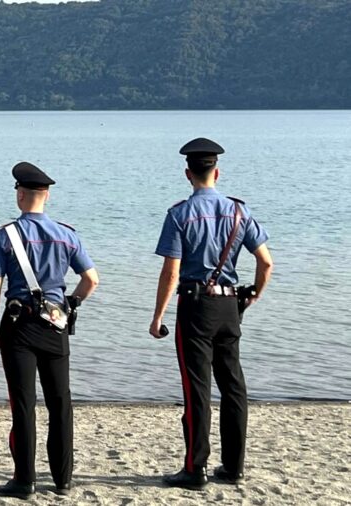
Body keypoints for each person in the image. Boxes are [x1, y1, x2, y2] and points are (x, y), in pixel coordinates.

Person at [149, 138, 272, 490]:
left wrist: (157, 316)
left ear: (188, 174)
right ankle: (233, 467)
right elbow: (266, 262)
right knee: (233, 386)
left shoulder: (179, 215)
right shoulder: (239, 212)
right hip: (229, 305)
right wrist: (252, 297)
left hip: (195, 305)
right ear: (217, 172)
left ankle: (195, 468)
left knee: (197, 388)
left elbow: (171, 273)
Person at [0, 162, 99, 499]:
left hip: (18, 327)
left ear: (20, 195)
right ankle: (63, 478)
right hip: (55, 324)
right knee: (60, 402)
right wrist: (71, 303)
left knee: (23, 404)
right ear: (46, 196)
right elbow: (91, 280)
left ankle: (25, 480)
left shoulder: (7, 235)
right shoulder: (67, 234)